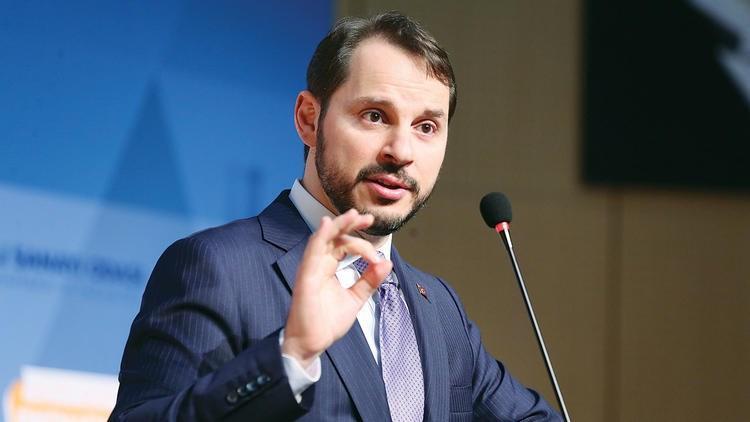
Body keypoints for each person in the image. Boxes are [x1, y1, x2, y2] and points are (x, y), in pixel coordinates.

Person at [110, 12, 561, 421]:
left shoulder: (439, 308)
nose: (401, 151)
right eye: (374, 115)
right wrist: (291, 356)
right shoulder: (217, 268)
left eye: (426, 127)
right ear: (309, 119)